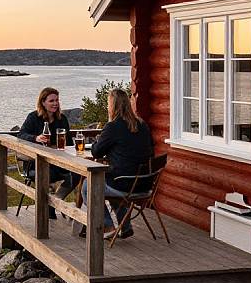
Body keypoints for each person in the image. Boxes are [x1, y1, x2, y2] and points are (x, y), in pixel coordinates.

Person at [81, 88, 153, 239]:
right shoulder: (141, 124)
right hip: (144, 183)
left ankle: (107, 225)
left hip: (125, 185)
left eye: (108, 104)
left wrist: (98, 141)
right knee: (110, 181)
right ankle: (125, 227)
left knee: (89, 186)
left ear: (112, 106)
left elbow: (96, 152)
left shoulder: (113, 127)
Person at [18, 87, 76, 217]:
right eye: (51, 101)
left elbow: (70, 143)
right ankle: (50, 206)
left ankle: (55, 202)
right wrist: (35, 138)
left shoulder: (62, 119)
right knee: (47, 173)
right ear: (43, 102)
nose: (55, 103)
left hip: (60, 162)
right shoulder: (33, 117)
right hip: (37, 163)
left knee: (77, 175)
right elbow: (21, 134)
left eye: (57, 100)